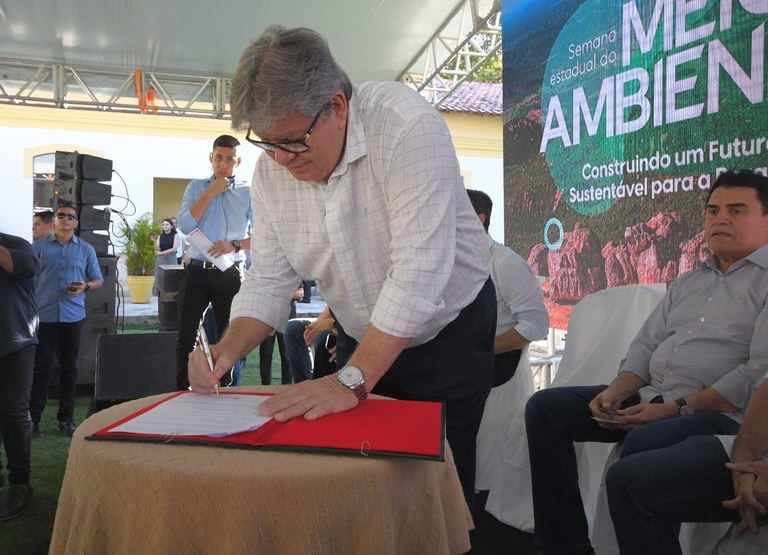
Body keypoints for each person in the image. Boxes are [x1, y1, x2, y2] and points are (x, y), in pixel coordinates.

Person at [188, 25, 495, 507]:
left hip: (448, 330)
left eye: (293, 140)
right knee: (361, 483)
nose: (282, 159)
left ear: (337, 105)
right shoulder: (272, 170)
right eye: (268, 143)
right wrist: (225, 351)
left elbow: (418, 275)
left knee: (436, 487)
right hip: (361, 330)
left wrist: (350, 380)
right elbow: (269, 277)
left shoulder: (406, 124)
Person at [524, 168, 768, 555]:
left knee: (643, 444)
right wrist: (617, 390)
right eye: (713, 210)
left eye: (737, 211)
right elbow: (645, 345)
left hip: (719, 415)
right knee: (546, 408)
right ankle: (562, 543)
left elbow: (756, 376)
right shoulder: (689, 281)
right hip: (655, 398)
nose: (720, 219)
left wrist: (675, 410)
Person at [606, 371, 768, 555]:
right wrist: (743, 468)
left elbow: (749, 375)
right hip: (753, 455)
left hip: (724, 419)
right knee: (628, 480)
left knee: (644, 445)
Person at [466, 189, 548, 490]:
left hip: (497, 375)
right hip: (460, 373)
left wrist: (481, 351)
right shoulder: (449, 260)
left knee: (489, 469)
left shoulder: (506, 263)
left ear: (478, 219)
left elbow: (536, 325)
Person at [175, 135, 252, 390]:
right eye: (219, 158)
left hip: (229, 272)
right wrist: (210, 192)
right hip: (197, 270)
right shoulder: (196, 187)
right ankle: (181, 391)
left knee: (228, 337)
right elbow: (185, 226)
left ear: (237, 162)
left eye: (229, 159)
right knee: (186, 336)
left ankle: (225, 389)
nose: (223, 164)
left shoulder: (247, 192)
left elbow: (264, 235)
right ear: (211, 158)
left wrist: (234, 245)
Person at [30, 203, 103, 437]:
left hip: (72, 317)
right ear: (54, 221)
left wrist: (85, 287)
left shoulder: (85, 249)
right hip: (45, 316)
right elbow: (28, 280)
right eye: (60, 215)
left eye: (69, 217)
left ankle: (66, 419)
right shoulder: (38, 248)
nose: (64, 219)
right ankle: (33, 420)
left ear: (76, 223)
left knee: (69, 368)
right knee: (41, 368)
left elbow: (98, 280)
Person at [0, 232, 38, 520]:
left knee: (14, 413)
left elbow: (22, 267)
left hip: (16, 343)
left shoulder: (18, 245)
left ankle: (20, 484)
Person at [259, 284, 305, 385]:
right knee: (265, 355)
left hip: (287, 316)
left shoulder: (292, 273)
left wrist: (279, 292)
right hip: (267, 316)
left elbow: (300, 293)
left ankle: (287, 386)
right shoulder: (265, 273)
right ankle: (265, 386)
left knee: (287, 355)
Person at [283, 305, 337, 383]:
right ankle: (303, 384)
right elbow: (332, 304)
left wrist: (331, 323)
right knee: (293, 328)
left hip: (355, 327)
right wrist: (316, 325)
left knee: (324, 336)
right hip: (339, 320)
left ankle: (322, 387)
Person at [151, 218, 179, 295]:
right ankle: (158, 294)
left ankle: (171, 293)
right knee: (159, 276)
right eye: (163, 224)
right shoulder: (160, 236)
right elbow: (158, 249)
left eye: (167, 224)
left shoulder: (175, 235)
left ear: (171, 226)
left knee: (171, 276)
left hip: (171, 258)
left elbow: (174, 249)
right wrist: (155, 241)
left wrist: (161, 253)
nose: (165, 226)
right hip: (161, 259)